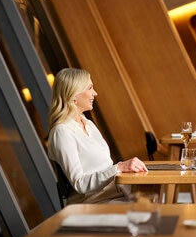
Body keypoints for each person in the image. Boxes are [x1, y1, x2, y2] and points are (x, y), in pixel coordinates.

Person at [47, 68, 148, 204]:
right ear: (73, 95)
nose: (95, 93)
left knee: (160, 202)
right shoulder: (61, 132)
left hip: (116, 194)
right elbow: (80, 184)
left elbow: (105, 168)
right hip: (94, 203)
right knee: (154, 211)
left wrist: (122, 170)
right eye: (90, 88)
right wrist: (119, 168)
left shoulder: (88, 124)